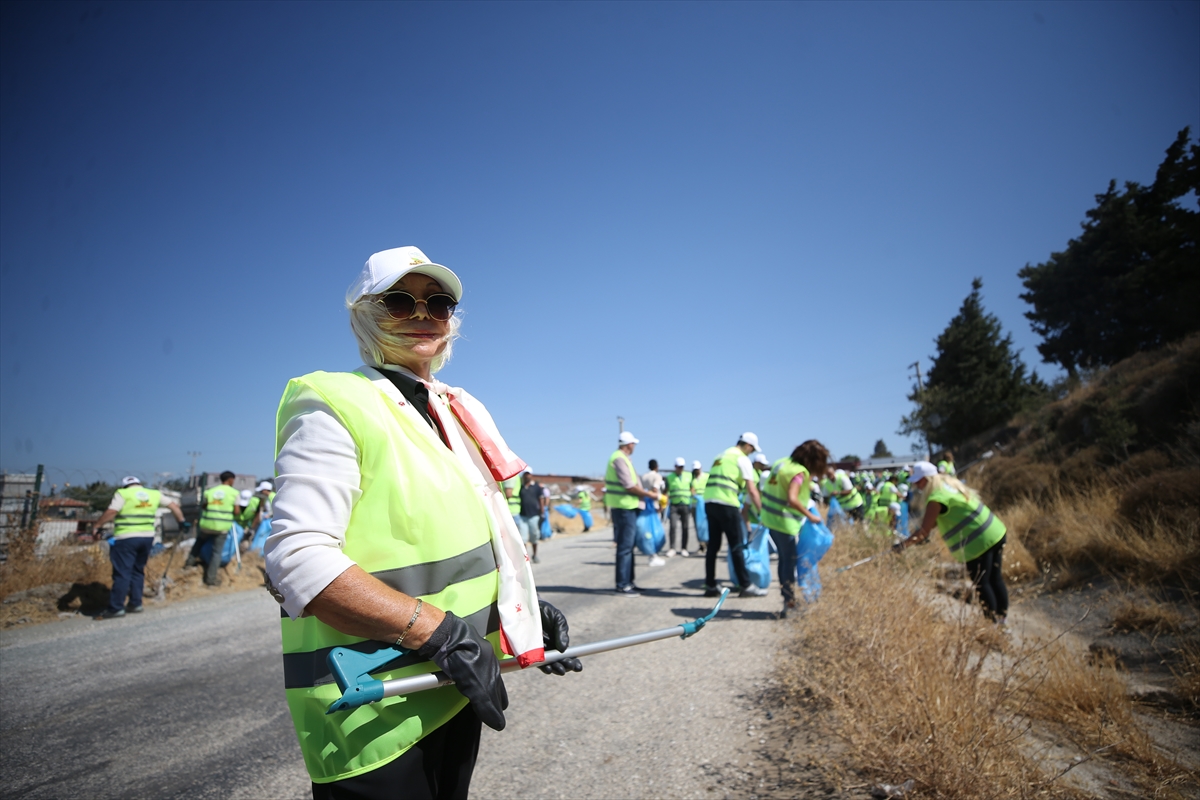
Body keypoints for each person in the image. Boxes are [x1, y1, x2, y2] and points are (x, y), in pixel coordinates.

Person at [264, 246, 580, 799]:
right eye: (399, 301)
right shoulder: (334, 402)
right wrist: (440, 634)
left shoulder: (450, 410)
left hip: (449, 686)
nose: (422, 315)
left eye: (438, 302)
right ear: (365, 313)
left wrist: (513, 616)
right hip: (372, 706)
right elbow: (299, 561)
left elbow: (452, 546)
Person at [897, 461, 1009, 625]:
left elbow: (923, 531)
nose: (916, 485)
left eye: (918, 481)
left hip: (979, 542)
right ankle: (1002, 618)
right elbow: (935, 521)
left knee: (982, 583)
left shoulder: (936, 497)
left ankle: (993, 623)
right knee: (995, 579)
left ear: (928, 479)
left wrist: (902, 546)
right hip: (995, 531)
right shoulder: (949, 484)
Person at [89, 476, 187, 619]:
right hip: (147, 537)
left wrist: (97, 526)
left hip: (126, 537)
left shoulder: (123, 493)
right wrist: (181, 522)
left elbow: (112, 511)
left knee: (122, 572)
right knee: (138, 570)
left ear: (125, 486)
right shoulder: (154, 494)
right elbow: (174, 506)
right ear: (139, 484)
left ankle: (116, 607)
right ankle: (136, 603)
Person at [760, 442, 829, 616]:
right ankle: (789, 604)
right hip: (784, 523)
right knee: (789, 562)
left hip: (770, 518)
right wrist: (811, 515)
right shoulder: (798, 472)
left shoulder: (781, 463)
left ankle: (787, 600)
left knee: (784, 560)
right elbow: (792, 498)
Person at [702, 433, 767, 598]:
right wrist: (762, 512)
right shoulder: (741, 458)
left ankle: (710, 585)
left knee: (713, 547)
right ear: (748, 445)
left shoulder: (721, 455)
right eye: (752, 450)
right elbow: (752, 490)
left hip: (710, 503)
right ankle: (746, 585)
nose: (751, 453)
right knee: (736, 546)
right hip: (727, 504)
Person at [604, 431, 665, 596]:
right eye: (633, 443)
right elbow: (629, 486)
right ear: (628, 444)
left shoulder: (622, 458)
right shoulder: (619, 458)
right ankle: (622, 584)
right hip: (624, 507)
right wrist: (650, 495)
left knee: (629, 546)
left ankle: (629, 582)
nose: (634, 446)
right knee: (625, 547)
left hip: (628, 507)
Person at [186, 470, 239, 587]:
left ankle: (188, 565)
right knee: (217, 553)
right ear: (230, 479)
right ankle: (211, 579)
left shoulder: (210, 492)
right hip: (222, 527)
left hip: (207, 524)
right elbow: (236, 511)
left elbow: (204, 506)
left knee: (198, 543)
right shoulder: (234, 493)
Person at [664, 457, 693, 557]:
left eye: (682, 467)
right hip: (674, 505)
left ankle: (684, 548)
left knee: (685, 527)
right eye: (679, 467)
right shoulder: (670, 477)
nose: (680, 469)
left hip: (685, 504)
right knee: (673, 526)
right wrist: (664, 502)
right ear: (675, 467)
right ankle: (672, 548)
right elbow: (666, 491)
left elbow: (692, 489)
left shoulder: (689, 476)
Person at [516, 470, 546, 564]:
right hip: (523, 516)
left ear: (531, 475)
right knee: (523, 538)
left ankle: (535, 555)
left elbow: (541, 500)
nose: (527, 476)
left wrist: (542, 512)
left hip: (534, 516)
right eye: (525, 474)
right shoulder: (520, 488)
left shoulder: (536, 487)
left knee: (534, 536)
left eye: (528, 474)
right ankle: (525, 557)